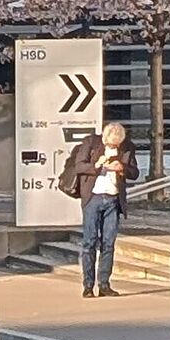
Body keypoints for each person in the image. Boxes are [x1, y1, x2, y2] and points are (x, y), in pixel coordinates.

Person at [62, 122, 138, 297]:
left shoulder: (127, 148)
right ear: (105, 137)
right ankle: (88, 285)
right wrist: (97, 165)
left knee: (108, 243)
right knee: (89, 242)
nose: (114, 147)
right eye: (111, 144)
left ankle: (104, 284)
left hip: (113, 199)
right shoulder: (91, 143)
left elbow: (134, 173)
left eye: (116, 145)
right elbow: (79, 166)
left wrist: (122, 169)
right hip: (93, 198)